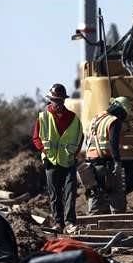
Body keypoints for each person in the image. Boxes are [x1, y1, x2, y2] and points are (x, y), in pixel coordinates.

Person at [32, 83, 83, 233]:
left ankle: (69, 223)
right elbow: (36, 138)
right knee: (55, 194)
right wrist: (44, 151)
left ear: (64, 100)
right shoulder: (43, 117)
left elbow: (80, 137)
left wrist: (74, 154)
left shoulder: (73, 118)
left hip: (68, 161)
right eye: (55, 100)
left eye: (60, 100)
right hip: (51, 161)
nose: (58, 103)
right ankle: (58, 223)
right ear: (50, 100)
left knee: (70, 193)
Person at [82, 96, 132, 214]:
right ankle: (118, 221)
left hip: (90, 164)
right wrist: (117, 162)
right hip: (105, 163)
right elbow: (113, 143)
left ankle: (94, 222)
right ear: (121, 110)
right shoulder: (114, 121)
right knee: (116, 196)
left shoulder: (96, 118)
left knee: (95, 196)